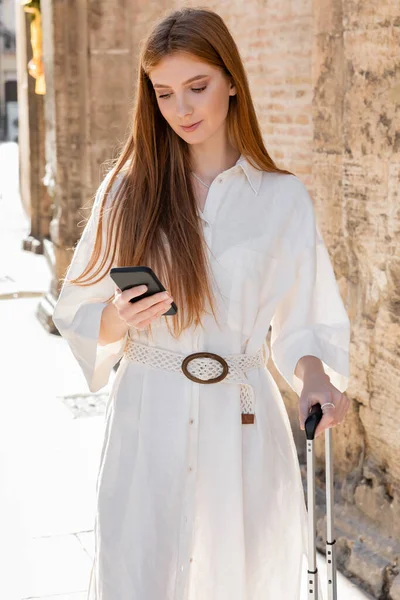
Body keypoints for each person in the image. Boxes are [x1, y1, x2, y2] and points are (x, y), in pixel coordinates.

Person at [53, 7, 351, 600]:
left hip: (242, 423)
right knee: (138, 574)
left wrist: (315, 378)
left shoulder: (283, 199)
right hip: (148, 416)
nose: (181, 110)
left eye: (197, 87)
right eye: (163, 93)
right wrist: (119, 317)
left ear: (232, 80)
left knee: (239, 576)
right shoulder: (127, 187)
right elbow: (79, 310)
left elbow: (305, 322)